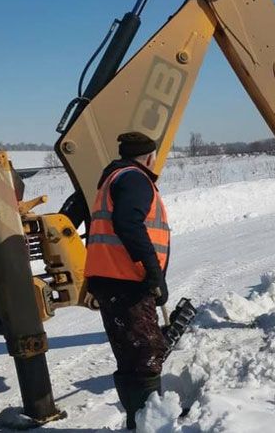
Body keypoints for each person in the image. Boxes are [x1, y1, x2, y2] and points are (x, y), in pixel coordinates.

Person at [84, 132, 170, 429]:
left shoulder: (113, 178)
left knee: (130, 354)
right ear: (149, 156)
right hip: (127, 281)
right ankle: (151, 424)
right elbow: (127, 222)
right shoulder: (135, 179)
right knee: (146, 352)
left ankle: (138, 420)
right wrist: (152, 270)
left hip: (110, 279)